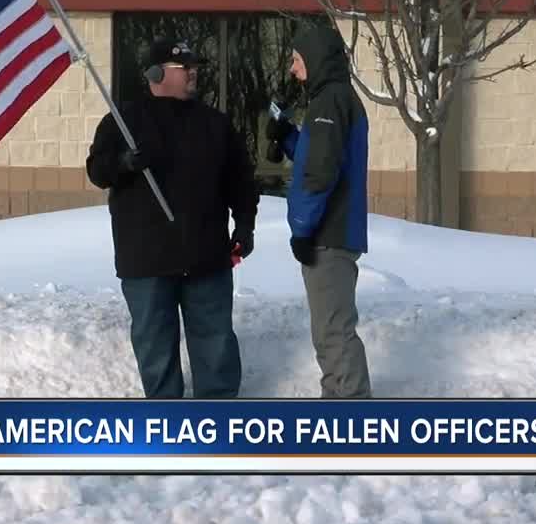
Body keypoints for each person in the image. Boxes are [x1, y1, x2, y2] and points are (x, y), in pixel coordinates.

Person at [86, 38, 259, 399]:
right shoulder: (124, 121)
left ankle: (219, 421)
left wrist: (245, 224)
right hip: (147, 261)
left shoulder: (215, 124)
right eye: (185, 68)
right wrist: (125, 163)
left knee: (216, 345)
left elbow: (241, 181)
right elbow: (97, 170)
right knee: (155, 348)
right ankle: (167, 424)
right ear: (155, 73)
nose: (194, 73)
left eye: (195, 67)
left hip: (206, 259)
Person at [265, 23, 373, 399]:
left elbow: (318, 174)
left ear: (315, 59)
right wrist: (289, 137)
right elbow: (322, 157)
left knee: (333, 332)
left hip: (328, 234)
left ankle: (352, 420)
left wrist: (303, 229)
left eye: (297, 60)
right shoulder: (335, 100)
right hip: (335, 232)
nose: (293, 69)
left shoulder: (330, 101)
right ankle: (336, 407)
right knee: (328, 330)